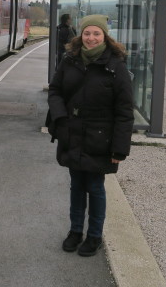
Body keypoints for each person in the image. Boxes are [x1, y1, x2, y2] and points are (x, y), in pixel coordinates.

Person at [47, 14, 133, 257]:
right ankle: (75, 231)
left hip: (100, 137)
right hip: (72, 132)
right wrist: (60, 117)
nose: (91, 38)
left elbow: (124, 111)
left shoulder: (116, 66)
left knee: (95, 187)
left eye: (96, 33)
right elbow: (55, 91)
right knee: (76, 185)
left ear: (104, 36)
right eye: (87, 33)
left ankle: (94, 236)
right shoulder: (69, 59)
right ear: (80, 35)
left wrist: (119, 149)